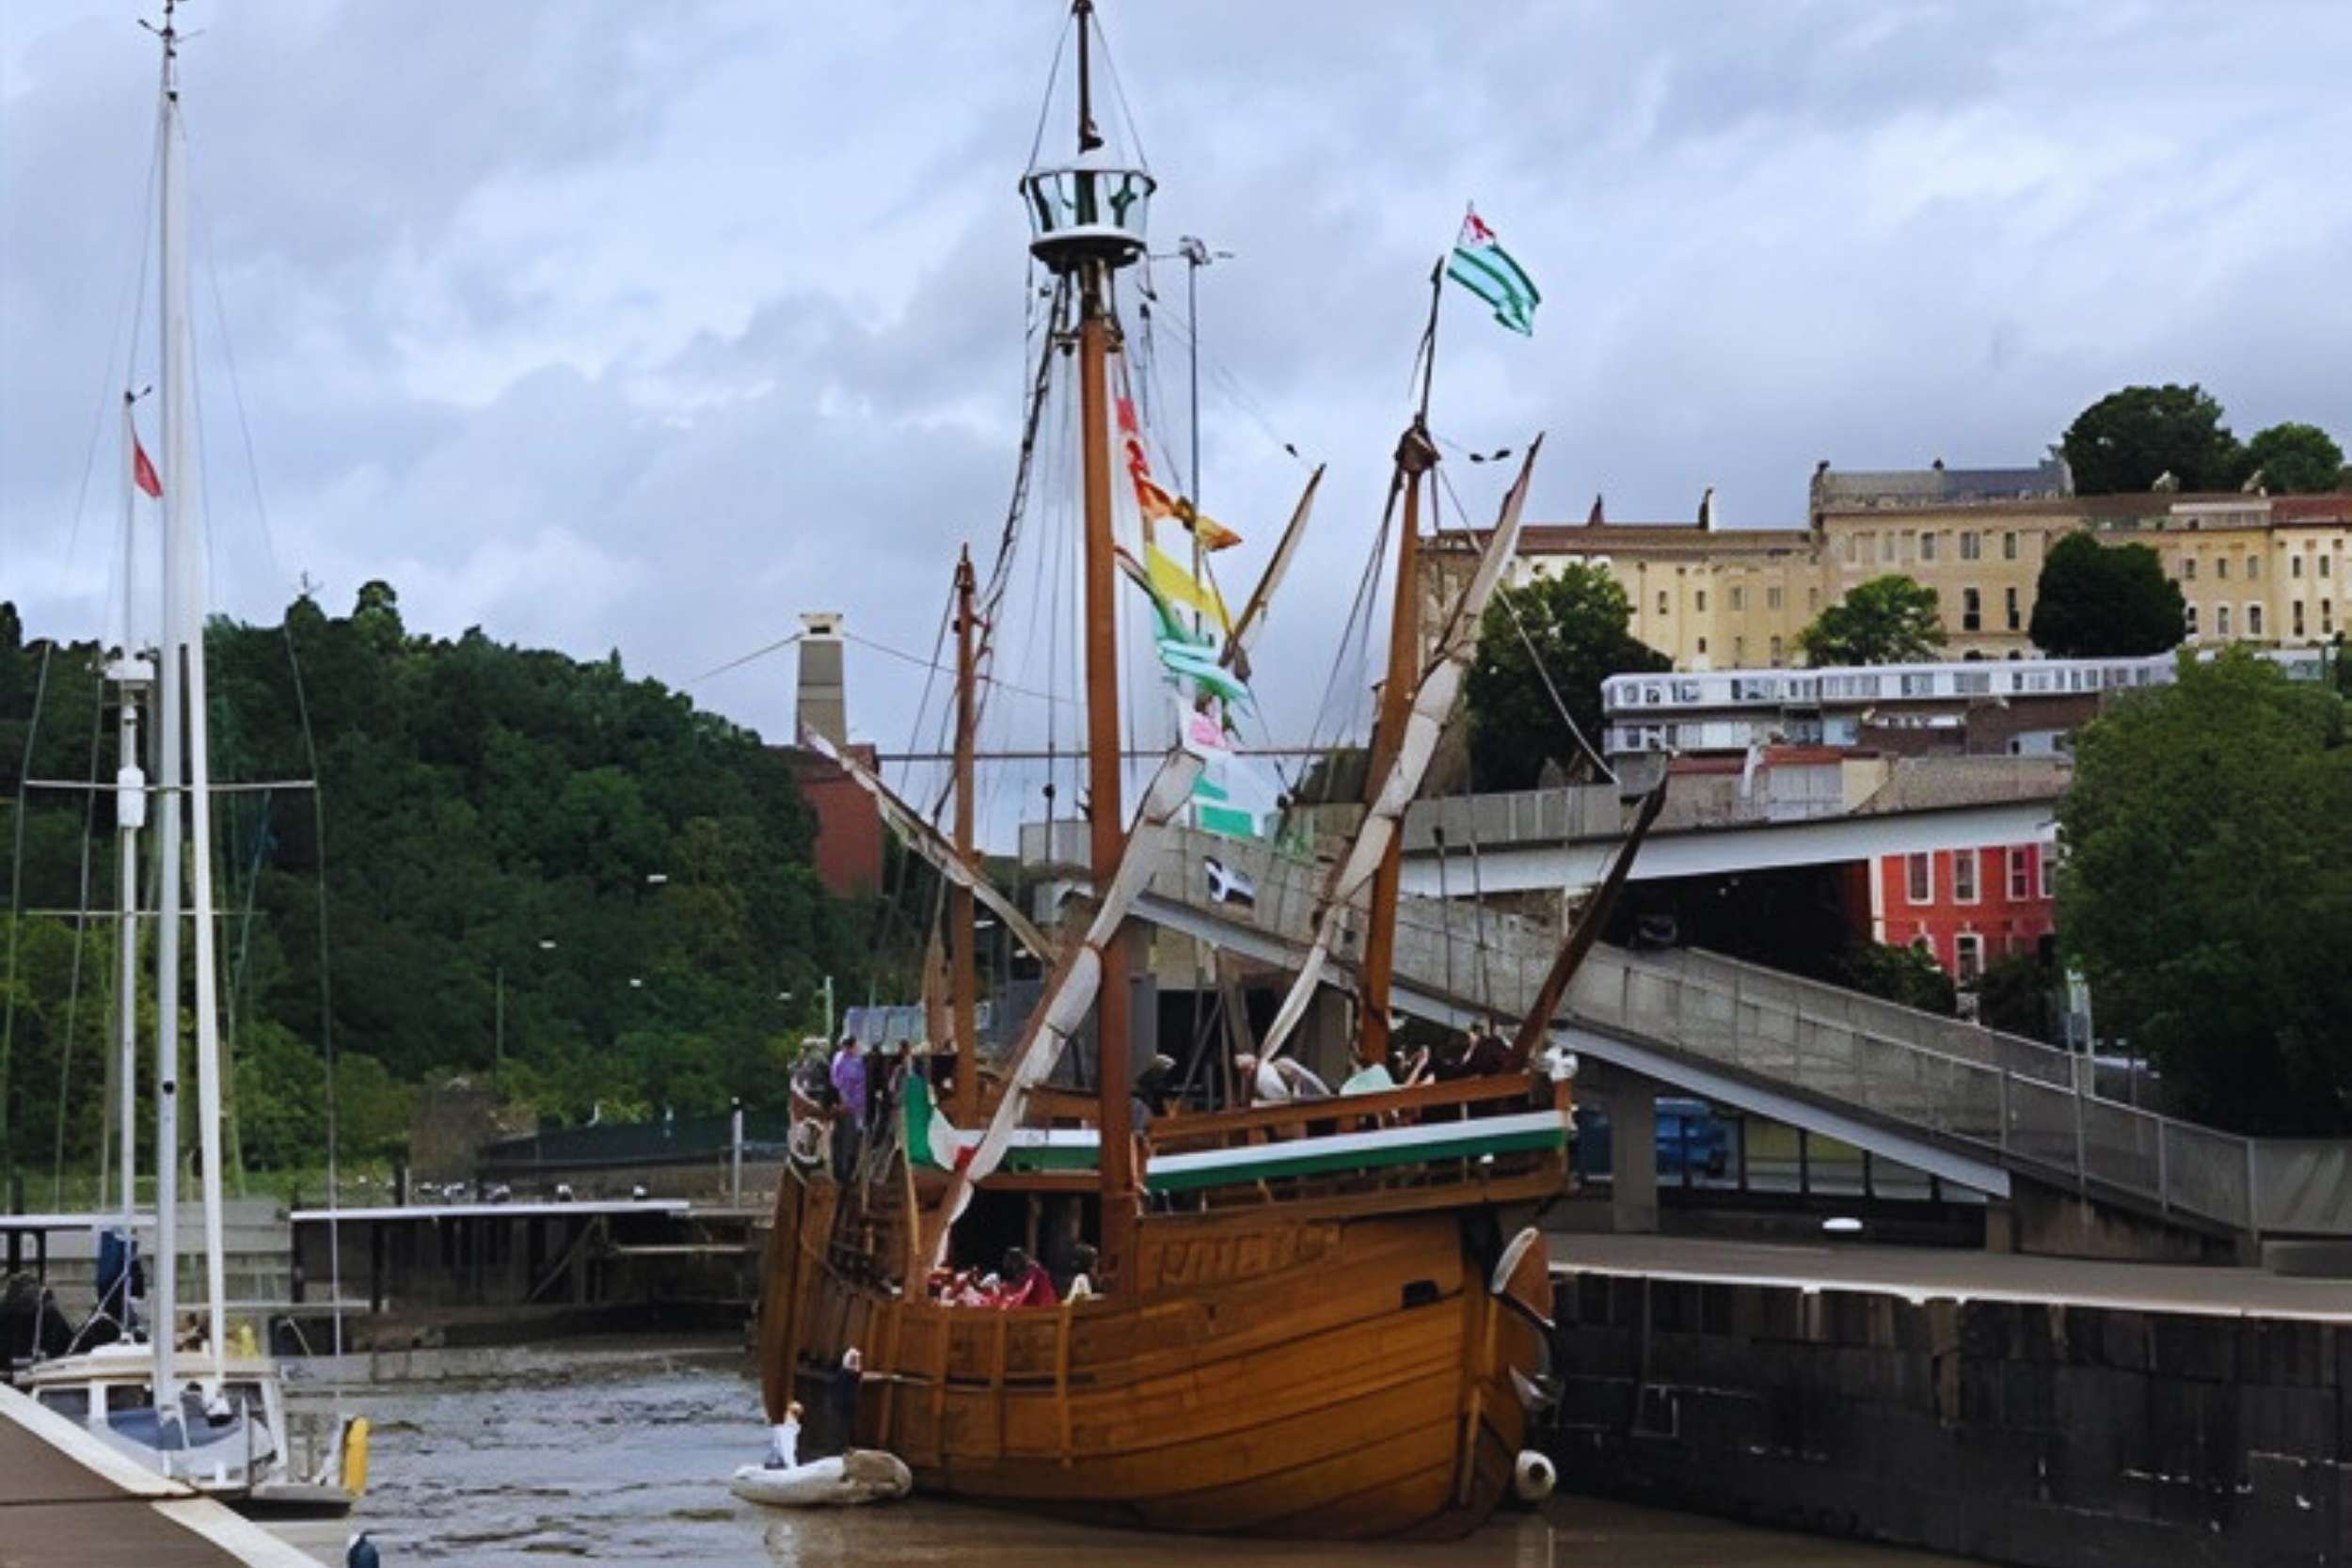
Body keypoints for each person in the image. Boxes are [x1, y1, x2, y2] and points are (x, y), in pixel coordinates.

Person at [829, 1036, 867, 1183]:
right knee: (848, 1140)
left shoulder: (840, 1058)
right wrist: (846, 1103)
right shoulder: (853, 1063)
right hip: (851, 1107)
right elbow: (842, 1085)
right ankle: (845, 1173)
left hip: (850, 1106)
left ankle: (844, 1171)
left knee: (845, 1139)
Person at [994, 1246, 1058, 1308]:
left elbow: (1026, 1292)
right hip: (1043, 1311)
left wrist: (1011, 1301)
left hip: (1042, 1312)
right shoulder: (1032, 1272)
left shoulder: (1034, 1272)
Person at [764, 1400, 805, 1469]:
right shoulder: (786, 1429)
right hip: (779, 1465)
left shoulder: (785, 1428)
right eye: (796, 1413)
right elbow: (787, 1449)